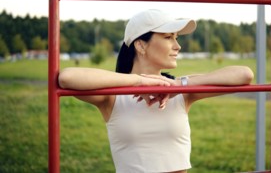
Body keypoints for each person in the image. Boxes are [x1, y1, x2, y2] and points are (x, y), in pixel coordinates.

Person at [58, 9, 254, 173]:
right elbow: (67, 78)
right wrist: (138, 81)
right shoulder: (113, 96)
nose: (178, 46)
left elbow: (244, 74)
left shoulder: (181, 91)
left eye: (176, 38)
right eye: (169, 37)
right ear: (141, 45)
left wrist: (177, 86)